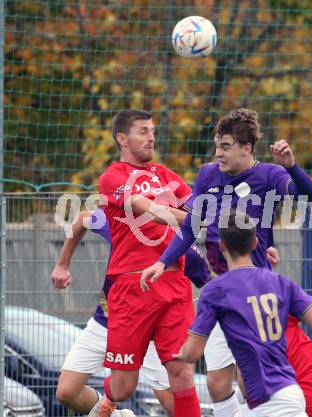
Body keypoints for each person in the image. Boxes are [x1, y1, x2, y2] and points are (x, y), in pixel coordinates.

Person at [141, 108, 312, 415]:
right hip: (219, 291)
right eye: (216, 145)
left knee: (251, 382)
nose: (218, 153)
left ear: (246, 148)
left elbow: (307, 196)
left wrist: (292, 167)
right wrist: (163, 261)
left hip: (254, 292)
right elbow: (192, 225)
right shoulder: (209, 174)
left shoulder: (270, 175)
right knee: (216, 384)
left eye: (225, 146)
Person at [175, 210, 312, 417]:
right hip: (290, 394)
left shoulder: (215, 291)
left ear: (221, 246)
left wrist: (181, 353)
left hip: (266, 402)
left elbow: (192, 353)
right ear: (256, 243)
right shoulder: (282, 283)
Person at [91, 109, 202, 417]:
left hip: (174, 284)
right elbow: (149, 209)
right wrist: (194, 218)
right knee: (125, 387)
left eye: (153, 131)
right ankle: (109, 400)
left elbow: (198, 205)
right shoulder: (111, 177)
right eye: (143, 131)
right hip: (131, 286)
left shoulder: (165, 174)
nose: (151, 136)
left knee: (181, 371)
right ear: (122, 138)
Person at [51, 208, 212, 417]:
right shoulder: (124, 224)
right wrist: (62, 265)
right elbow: (82, 218)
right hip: (107, 322)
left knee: (173, 404)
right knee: (66, 392)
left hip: (155, 335)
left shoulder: (184, 249)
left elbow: (211, 286)